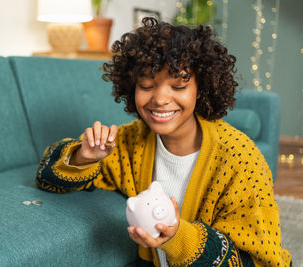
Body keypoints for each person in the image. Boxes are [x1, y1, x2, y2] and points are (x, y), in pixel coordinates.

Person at [36, 17, 292, 267]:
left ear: (200, 89)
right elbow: (47, 177)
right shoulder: (129, 142)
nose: (159, 99)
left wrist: (178, 237)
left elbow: (255, 260)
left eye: (178, 86)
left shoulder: (240, 160)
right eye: (147, 85)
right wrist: (82, 156)